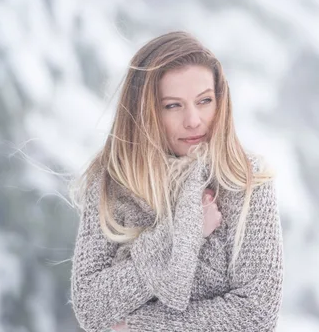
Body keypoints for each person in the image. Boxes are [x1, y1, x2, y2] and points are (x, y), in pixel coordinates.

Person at [69, 31, 283, 331]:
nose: (193, 120)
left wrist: (137, 326)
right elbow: (91, 306)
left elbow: (256, 315)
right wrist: (183, 232)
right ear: (145, 112)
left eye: (204, 101)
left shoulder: (244, 178)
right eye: (173, 105)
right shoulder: (112, 182)